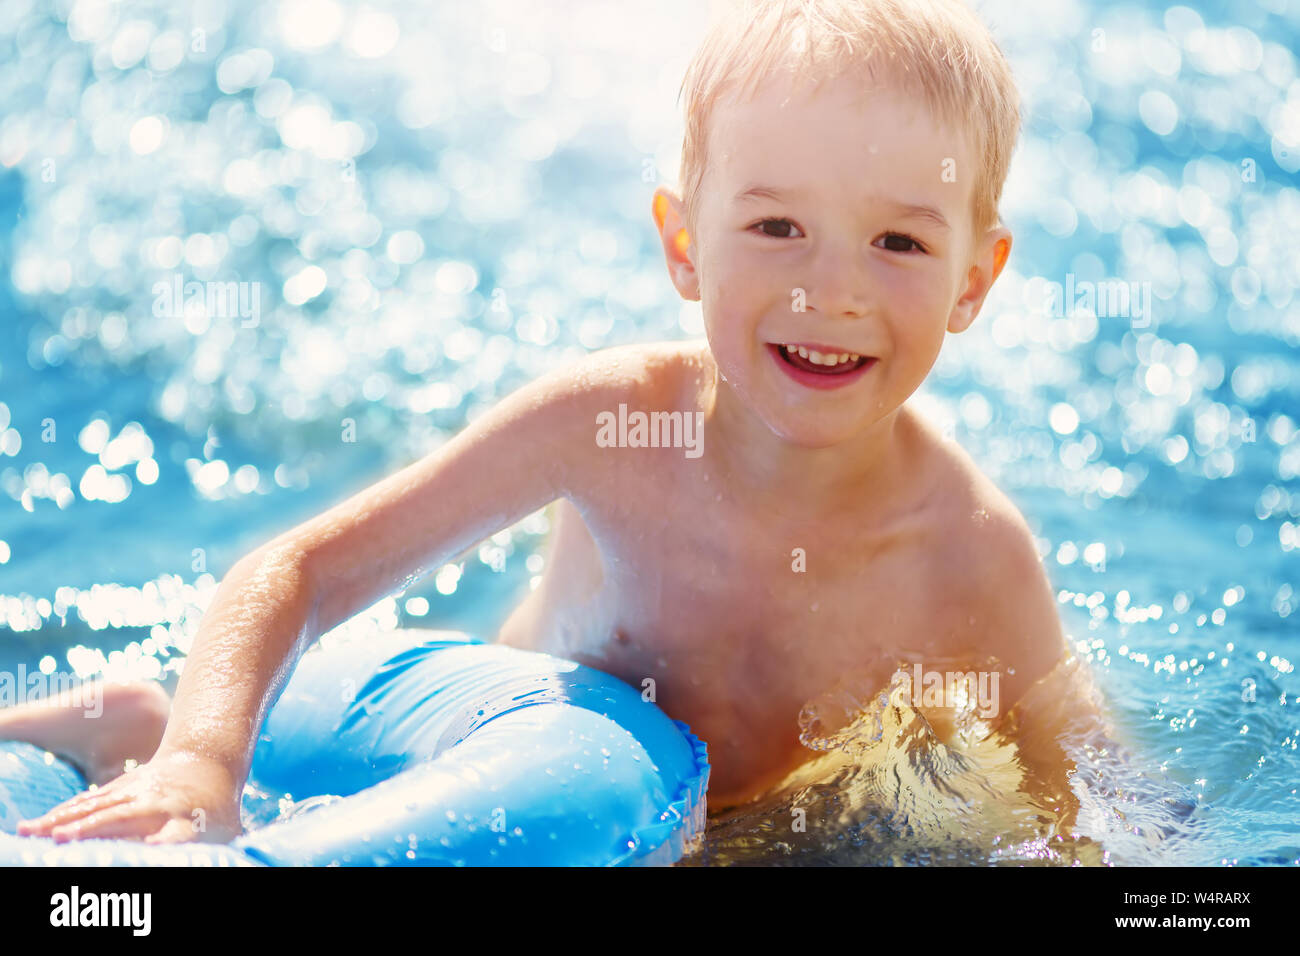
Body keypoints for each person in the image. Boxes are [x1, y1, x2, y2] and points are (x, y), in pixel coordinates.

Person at [9, 0, 1101, 846]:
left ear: (975, 277)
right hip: (493, 777)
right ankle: (140, 725)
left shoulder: (970, 554)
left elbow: (1087, 790)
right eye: (776, 226)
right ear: (683, 244)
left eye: (898, 245)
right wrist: (201, 762)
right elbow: (302, 569)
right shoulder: (609, 424)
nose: (832, 291)